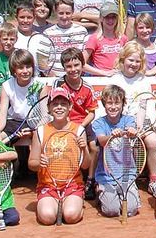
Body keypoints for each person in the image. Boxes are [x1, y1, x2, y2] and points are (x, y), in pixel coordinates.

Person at [29, 87, 91, 225]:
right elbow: (32, 163)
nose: (59, 108)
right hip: (48, 185)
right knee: (47, 217)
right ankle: (55, 204)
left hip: (72, 184)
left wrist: (84, 149)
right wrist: (40, 163)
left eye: (63, 104)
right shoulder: (40, 131)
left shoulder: (79, 130)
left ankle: (72, 204)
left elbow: (86, 165)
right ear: (49, 108)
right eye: (54, 104)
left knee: (71, 216)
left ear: (70, 107)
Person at [108, 41, 156, 194]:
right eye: (131, 60)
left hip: (140, 122)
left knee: (153, 142)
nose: (134, 64)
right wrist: (125, 126)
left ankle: (154, 180)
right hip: (120, 123)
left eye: (138, 61)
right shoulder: (115, 79)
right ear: (123, 59)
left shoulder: (143, 80)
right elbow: (114, 106)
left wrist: (139, 126)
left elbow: (143, 106)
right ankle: (125, 180)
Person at [52, 48, 99, 200]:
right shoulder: (59, 85)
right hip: (63, 123)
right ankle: (66, 178)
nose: (73, 70)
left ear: (82, 65)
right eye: (69, 66)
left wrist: (80, 126)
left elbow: (92, 112)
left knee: (94, 147)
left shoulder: (87, 87)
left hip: (82, 123)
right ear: (64, 68)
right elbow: (54, 108)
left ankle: (90, 180)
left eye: (76, 65)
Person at [92, 84, 142, 217]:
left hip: (127, 175)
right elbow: (102, 141)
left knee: (130, 211)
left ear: (122, 104)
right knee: (111, 211)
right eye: (109, 103)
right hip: (106, 176)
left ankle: (129, 194)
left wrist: (132, 131)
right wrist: (112, 136)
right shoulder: (98, 123)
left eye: (117, 103)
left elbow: (132, 129)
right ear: (104, 104)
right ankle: (101, 191)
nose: (113, 107)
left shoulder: (128, 120)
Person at [0, 49, 47, 149]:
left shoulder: (40, 85)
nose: (25, 71)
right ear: (14, 70)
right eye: (20, 68)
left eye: (28, 67)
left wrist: (33, 130)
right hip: (14, 122)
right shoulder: (7, 85)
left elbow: (44, 116)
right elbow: (2, 115)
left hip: (34, 123)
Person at [43, 0, 88, 77]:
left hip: (77, 77)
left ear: (73, 12)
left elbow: (84, 59)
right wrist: (53, 77)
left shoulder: (82, 31)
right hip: (55, 78)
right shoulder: (47, 33)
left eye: (68, 13)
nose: (64, 17)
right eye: (61, 13)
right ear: (55, 11)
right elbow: (43, 62)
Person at [83, 1, 127, 77]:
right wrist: (102, 72)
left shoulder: (123, 38)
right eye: (107, 17)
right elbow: (81, 63)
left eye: (113, 17)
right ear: (101, 18)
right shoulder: (94, 38)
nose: (111, 21)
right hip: (101, 80)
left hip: (120, 78)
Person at [133, 13, 156, 77]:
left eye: (148, 27)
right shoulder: (131, 46)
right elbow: (126, 69)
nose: (145, 31)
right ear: (136, 29)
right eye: (141, 28)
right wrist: (148, 72)